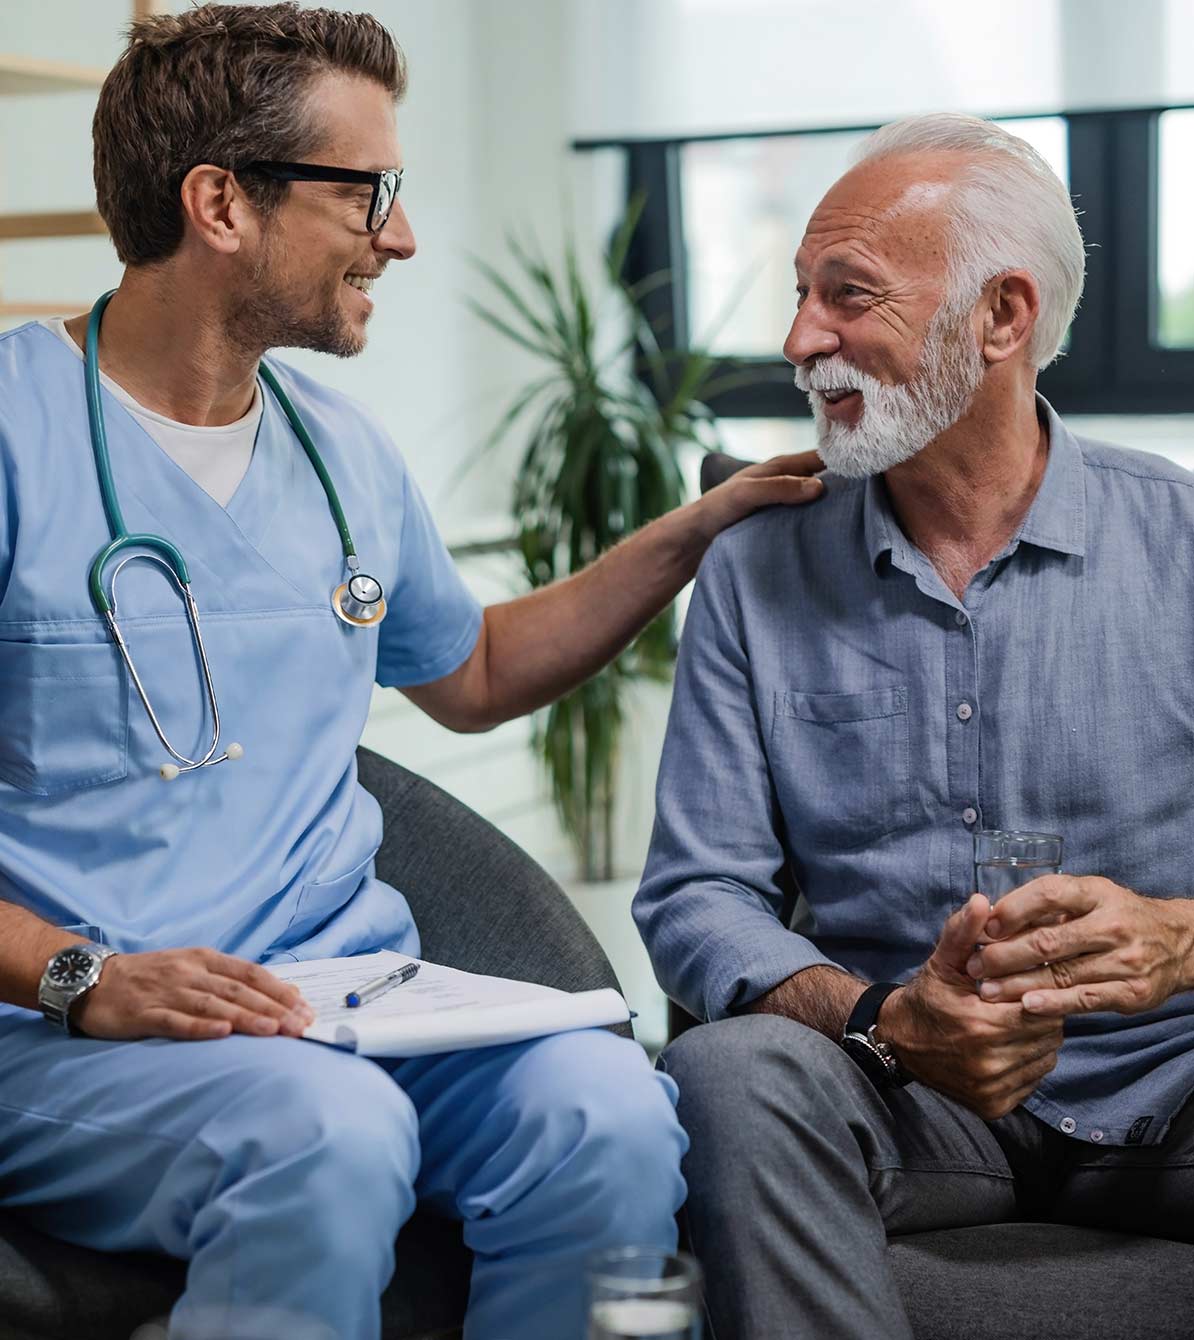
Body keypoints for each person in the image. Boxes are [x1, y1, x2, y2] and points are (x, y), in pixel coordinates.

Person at [0, 7, 825, 1339]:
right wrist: (78, 977)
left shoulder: (339, 450)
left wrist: (690, 532)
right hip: (63, 1033)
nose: (402, 235)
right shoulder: (13, 437)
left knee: (607, 1112)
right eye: (367, 192)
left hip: (339, 1001)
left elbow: (477, 669)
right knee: (322, 1134)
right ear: (220, 201)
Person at [634, 111, 1194, 1339]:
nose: (798, 340)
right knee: (726, 1075)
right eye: (800, 295)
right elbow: (696, 896)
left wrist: (1180, 936)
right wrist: (882, 1023)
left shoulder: (1184, 541)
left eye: (849, 296)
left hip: (1171, 1085)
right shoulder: (754, 567)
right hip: (908, 1096)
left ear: (1003, 317)